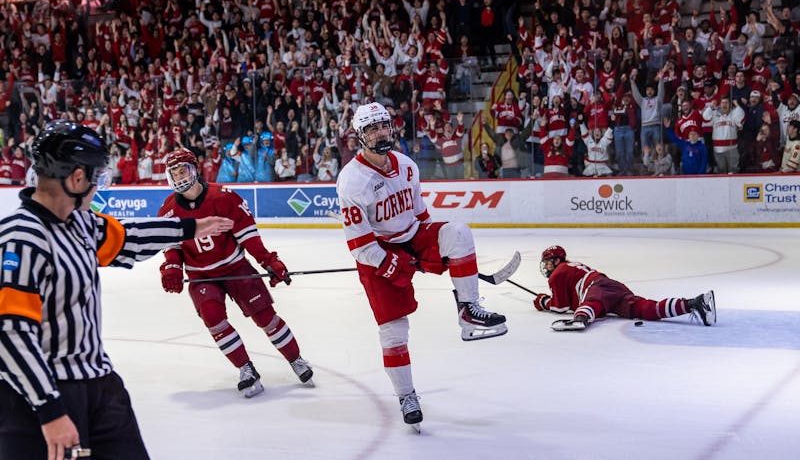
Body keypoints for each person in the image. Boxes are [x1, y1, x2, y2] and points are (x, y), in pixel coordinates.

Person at [0, 120, 233, 460]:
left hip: (99, 384)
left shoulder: (79, 224)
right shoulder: (20, 239)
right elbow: (11, 333)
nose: (98, 187)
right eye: (96, 178)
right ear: (76, 178)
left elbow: (129, 239)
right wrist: (49, 410)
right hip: (39, 399)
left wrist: (190, 227)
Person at [336, 103, 507, 430]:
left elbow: (421, 216)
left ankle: (468, 309)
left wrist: (441, 251)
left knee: (457, 232)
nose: (380, 133)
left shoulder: (407, 165)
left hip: (411, 237)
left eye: (383, 125)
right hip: (378, 250)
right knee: (394, 330)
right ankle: (406, 395)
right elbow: (359, 245)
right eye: (372, 129)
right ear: (360, 136)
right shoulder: (351, 181)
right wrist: (391, 265)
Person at [157, 148, 313, 399]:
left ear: (195, 169)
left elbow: (249, 236)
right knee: (212, 316)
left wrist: (268, 261)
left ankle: (296, 360)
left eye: (182, 170)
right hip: (201, 276)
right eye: (173, 173)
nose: (178, 177)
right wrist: (172, 267)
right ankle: (246, 369)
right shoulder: (168, 210)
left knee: (265, 317)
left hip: (235, 267)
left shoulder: (224, 198)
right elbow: (172, 246)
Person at [532, 245, 716, 331]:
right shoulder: (570, 266)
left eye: (548, 262)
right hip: (613, 287)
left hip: (597, 287)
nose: (546, 267)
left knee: (592, 302)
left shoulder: (558, 273)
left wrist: (543, 301)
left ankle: (581, 319)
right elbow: (569, 302)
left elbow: (560, 307)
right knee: (646, 308)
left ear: (557, 260)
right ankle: (694, 303)